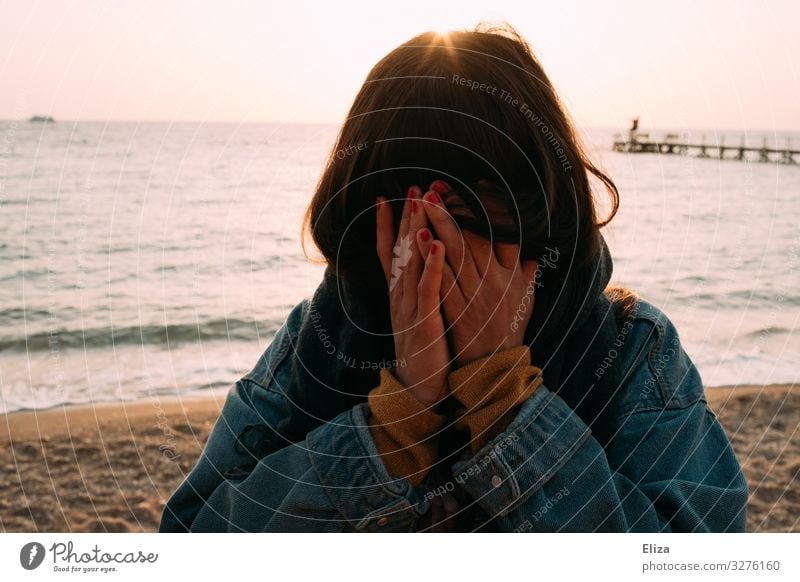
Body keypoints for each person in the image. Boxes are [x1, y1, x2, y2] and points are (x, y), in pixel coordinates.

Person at [159, 24, 747, 532]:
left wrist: (506, 403)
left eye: (471, 214)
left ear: (543, 214)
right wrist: (395, 425)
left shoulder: (630, 350)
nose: (436, 251)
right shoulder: (319, 339)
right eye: (411, 215)